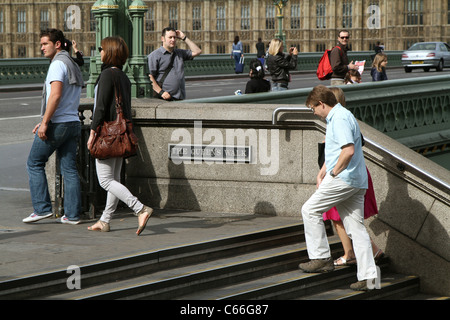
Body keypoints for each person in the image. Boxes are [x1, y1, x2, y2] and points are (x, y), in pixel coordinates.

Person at [299, 85, 378, 291]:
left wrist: (333, 172)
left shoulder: (339, 119)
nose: (314, 113)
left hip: (344, 178)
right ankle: (369, 278)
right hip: (357, 180)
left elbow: (348, 150)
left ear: (322, 104)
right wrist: (324, 170)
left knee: (309, 209)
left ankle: (321, 257)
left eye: (313, 108)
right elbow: (342, 148)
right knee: (357, 229)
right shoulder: (344, 115)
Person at [86, 36, 153, 235]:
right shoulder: (123, 76)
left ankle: (140, 208)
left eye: (102, 49)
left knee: (105, 181)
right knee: (114, 179)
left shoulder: (107, 75)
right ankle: (105, 220)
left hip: (108, 134)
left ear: (110, 52)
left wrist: (92, 132)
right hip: (121, 133)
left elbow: (100, 108)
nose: (100, 52)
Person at [23, 28, 84, 225]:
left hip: (58, 124)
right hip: (73, 122)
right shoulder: (72, 63)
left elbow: (56, 95)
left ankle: (42, 208)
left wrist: (45, 122)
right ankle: (73, 215)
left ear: (57, 44)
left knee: (34, 163)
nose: (41, 48)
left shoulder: (57, 64)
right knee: (69, 169)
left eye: (44, 44)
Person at [324, 87, 385, 267]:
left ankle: (350, 253)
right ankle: (371, 253)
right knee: (352, 220)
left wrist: (330, 174)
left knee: (340, 218)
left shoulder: (338, 122)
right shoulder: (347, 119)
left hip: (344, 176)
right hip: (357, 174)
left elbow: (343, 153)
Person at [148, 27, 201, 101]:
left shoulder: (179, 53)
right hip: (164, 99)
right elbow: (149, 77)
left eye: (174, 37)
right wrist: (161, 92)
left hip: (180, 98)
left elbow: (197, 51)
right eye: (170, 37)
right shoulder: (154, 55)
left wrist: (184, 37)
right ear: (162, 38)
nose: (173, 40)